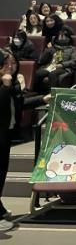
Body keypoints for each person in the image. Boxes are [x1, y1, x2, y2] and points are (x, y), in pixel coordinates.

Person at [0, 50, 22, 230]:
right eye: (6, 64)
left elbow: (18, 106)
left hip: (5, 134)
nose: (10, 67)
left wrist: (43, 99)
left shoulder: (12, 83)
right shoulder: (6, 84)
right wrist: (5, 87)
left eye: (13, 63)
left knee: (2, 173)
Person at [34, 28, 76, 94]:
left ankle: (52, 94)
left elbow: (74, 61)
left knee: (53, 74)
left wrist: (62, 65)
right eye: (60, 36)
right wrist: (48, 50)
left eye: (63, 36)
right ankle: (37, 93)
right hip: (50, 66)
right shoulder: (52, 48)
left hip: (63, 68)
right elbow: (41, 60)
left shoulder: (72, 49)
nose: (61, 38)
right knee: (38, 73)